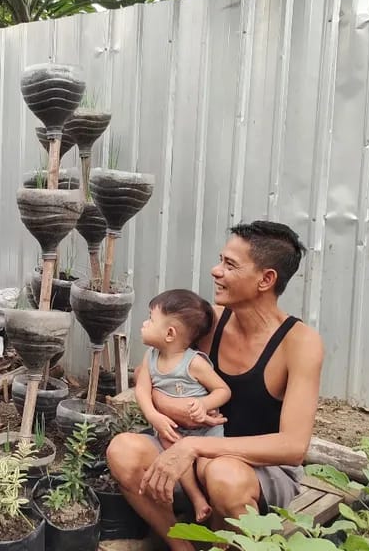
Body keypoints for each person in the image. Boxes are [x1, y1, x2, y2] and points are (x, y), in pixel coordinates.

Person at [108, 221, 324, 550]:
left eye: (229, 265)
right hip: (190, 454)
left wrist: (196, 447)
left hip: (256, 473)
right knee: (122, 451)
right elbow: (148, 372)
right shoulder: (208, 320)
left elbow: (293, 447)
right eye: (220, 260)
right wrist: (167, 408)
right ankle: (182, 546)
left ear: (266, 279)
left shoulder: (299, 343)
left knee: (224, 476)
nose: (215, 271)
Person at [136, 289, 231, 523]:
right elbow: (141, 389)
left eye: (150, 319)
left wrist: (203, 403)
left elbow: (223, 390)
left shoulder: (194, 363)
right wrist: (153, 416)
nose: (144, 323)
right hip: (175, 431)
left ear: (170, 333)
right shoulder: (151, 357)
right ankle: (198, 500)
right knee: (172, 448)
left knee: (209, 468)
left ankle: (220, 517)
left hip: (206, 432)